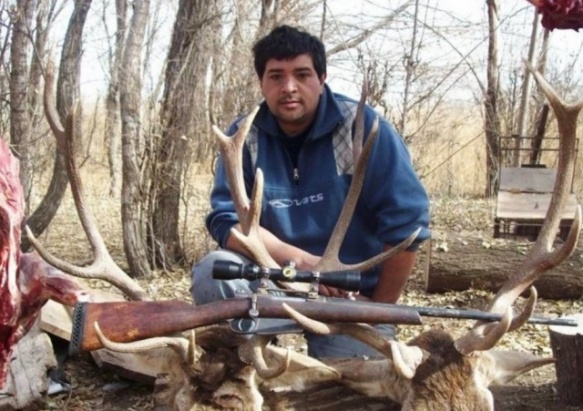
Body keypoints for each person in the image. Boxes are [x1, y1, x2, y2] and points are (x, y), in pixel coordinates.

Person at [191, 24, 430, 359]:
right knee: (211, 272)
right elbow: (226, 220)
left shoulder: (363, 128)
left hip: (348, 298)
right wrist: (305, 264)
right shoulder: (244, 136)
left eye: (302, 74)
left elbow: (408, 226)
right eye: (275, 76)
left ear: (322, 78)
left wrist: (379, 309)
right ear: (262, 83)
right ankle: (243, 360)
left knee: (350, 387)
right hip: (272, 282)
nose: (289, 87)